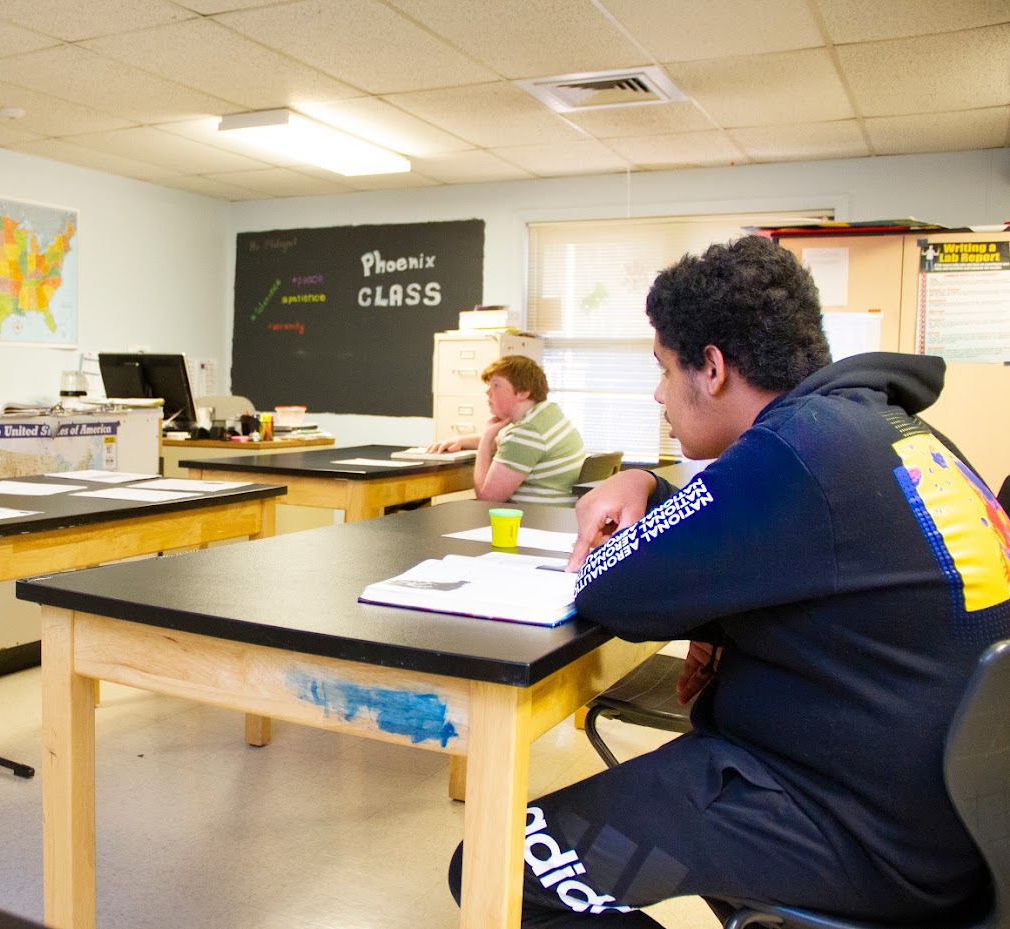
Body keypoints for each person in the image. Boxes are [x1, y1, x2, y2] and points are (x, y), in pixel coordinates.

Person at [447, 235, 1009, 926]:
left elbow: (609, 585)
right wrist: (650, 488)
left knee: (495, 866)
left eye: (661, 368)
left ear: (710, 367)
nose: (657, 393)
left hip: (854, 827)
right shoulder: (891, 431)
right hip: (949, 821)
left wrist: (646, 492)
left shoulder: (794, 453)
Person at [427, 354, 585, 506]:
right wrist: (460, 441)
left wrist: (486, 439)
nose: (488, 392)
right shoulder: (548, 415)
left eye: (496, 385)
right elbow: (504, 442)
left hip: (533, 521)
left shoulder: (527, 432)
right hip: (554, 517)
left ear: (523, 392)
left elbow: (487, 498)